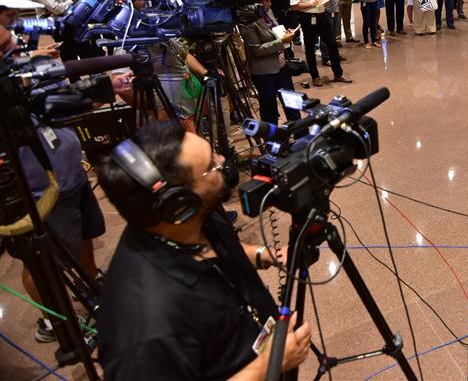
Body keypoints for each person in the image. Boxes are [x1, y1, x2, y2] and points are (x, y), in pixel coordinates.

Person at [95, 121, 312, 380]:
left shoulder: (197, 216)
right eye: (212, 166)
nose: (223, 162)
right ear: (178, 204)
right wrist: (267, 367)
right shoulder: (147, 332)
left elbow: (220, 249)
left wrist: (265, 255)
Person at [0, 18, 105, 344]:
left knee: (84, 238)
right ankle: (59, 325)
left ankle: (91, 292)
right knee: (43, 265)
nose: (12, 52)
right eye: (2, 49)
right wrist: (4, 203)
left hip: (69, 179)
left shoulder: (10, 76)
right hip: (34, 198)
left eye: (11, 42)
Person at [238, 0, 302, 127]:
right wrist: (281, 41)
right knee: (269, 110)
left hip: (282, 66)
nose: (270, 4)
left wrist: (286, 34)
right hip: (264, 72)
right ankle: (273, 143)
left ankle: (301, 134)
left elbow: (275, 31)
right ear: (257, 3)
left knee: (292, 104)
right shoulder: (247, 21)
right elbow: (256, 50)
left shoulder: (268, 13)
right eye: (267, 1)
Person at [289, 0, 351, 86]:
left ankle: (338, 73)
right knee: (310, 48)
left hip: (322, 14)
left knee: (332, 45)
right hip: (307, 17)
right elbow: (294, 5)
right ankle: (315, 76)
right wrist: (312, 3)